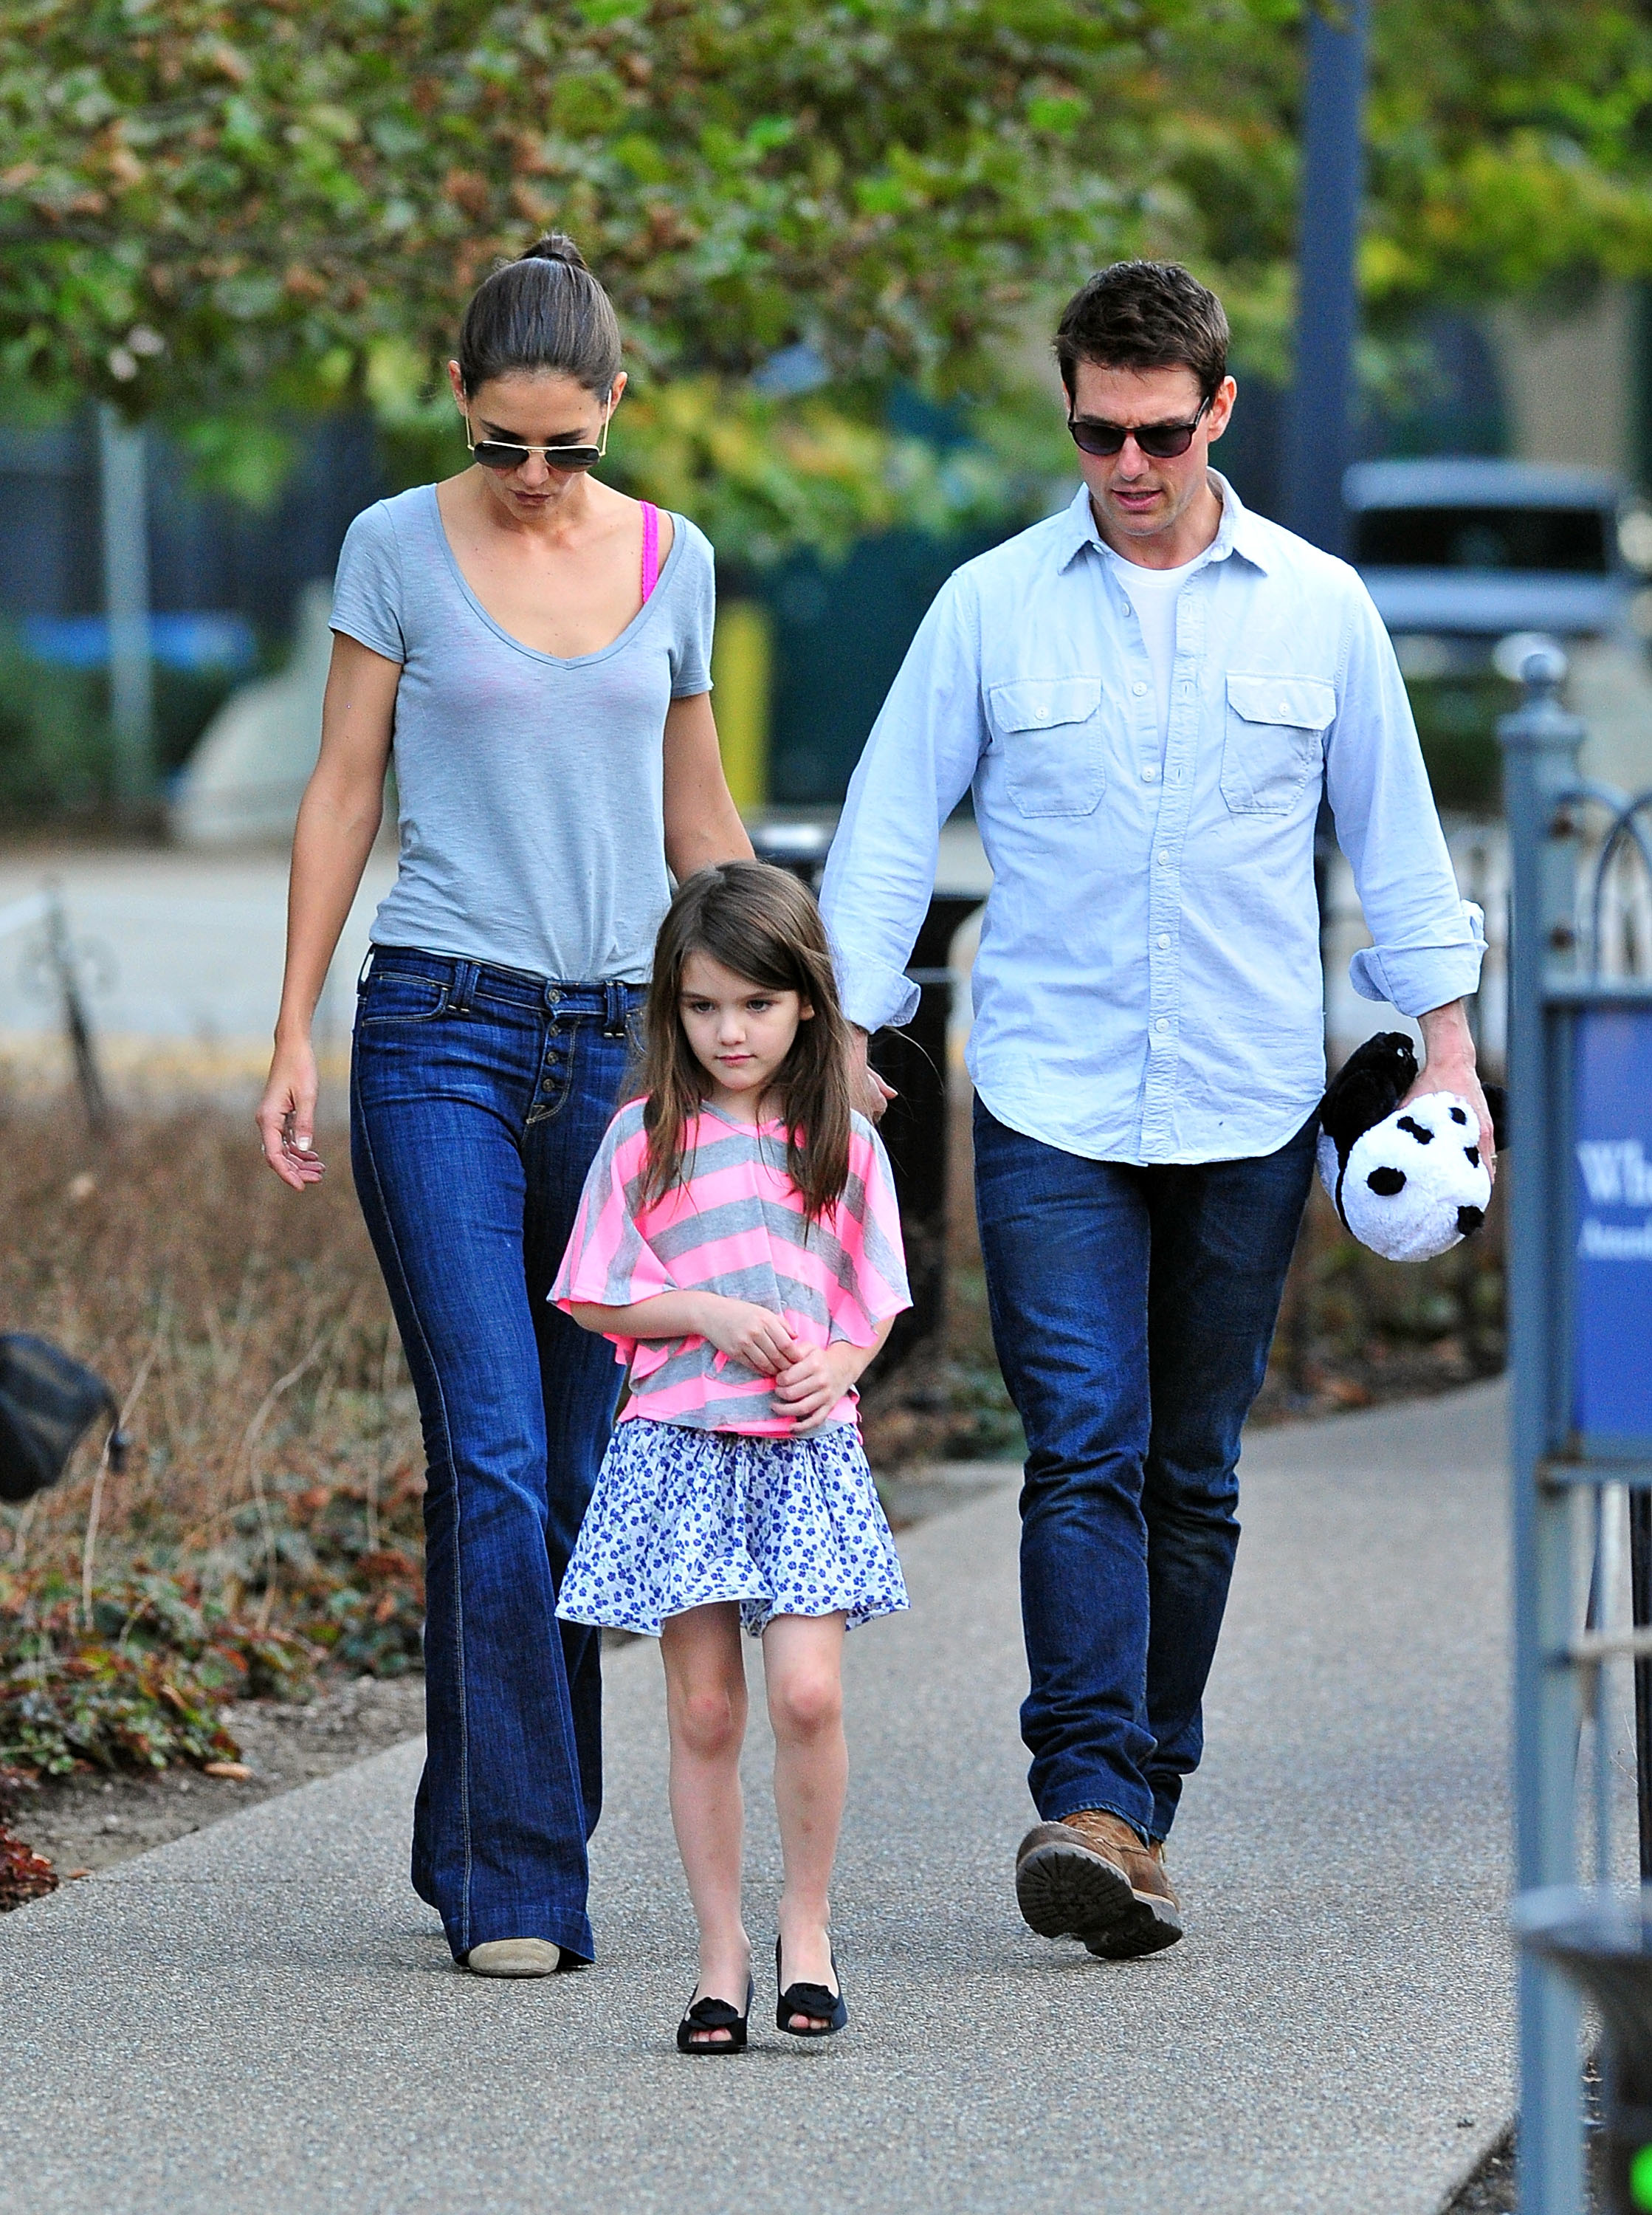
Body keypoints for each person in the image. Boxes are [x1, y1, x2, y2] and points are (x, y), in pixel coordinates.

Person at [819, 260, 1492, 1961]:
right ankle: (1089, 1797)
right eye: (1096, 431)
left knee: (1193, 1471)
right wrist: (844, 1033)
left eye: (1159, 432)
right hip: (1049, 1100)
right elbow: (890, 831)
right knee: (1084, 1452)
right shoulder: (987, 606)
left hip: (1253, 1105)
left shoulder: (1321, 607)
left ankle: (1145, 1808)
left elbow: (1395, 849)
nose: (1127, 462)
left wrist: (1452, 1055)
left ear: (1219, 410)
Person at [255, 235, 751, 1976]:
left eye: (570, 448)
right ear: (460, 403)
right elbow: (338, 791)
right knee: (487, 1456)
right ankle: (525, 1882)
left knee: (575, 1467)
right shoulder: (392, 546)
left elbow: (703, 822)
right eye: (505, 446)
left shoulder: (678, 560)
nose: (538, 480)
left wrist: (792, 1025)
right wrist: (294, 1028)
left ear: (616, 407)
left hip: (619, 1055)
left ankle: (481, 1833)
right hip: (439, 1035)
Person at [551, 861, 910, 2051]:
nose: (728, 1031)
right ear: (673, 1009)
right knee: (705, 1709)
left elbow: (875, 1301)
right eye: (702, 1007)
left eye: (754, 1005)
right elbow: (597, 1297)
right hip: (677, 1449)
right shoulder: (640, 1140)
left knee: (805, 1694)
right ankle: (721, 1959)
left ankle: (806, 1926)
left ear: (804, 1003)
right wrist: (701, 1312)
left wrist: (839, 1369)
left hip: (800, 1452)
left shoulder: (844, 1144)